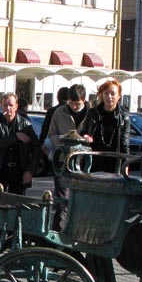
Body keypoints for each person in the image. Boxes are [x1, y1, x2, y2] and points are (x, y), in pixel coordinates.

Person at [45, 84, 89, 229]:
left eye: (77, 104)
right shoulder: (60, 112)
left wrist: (88, 139)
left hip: (84, 161)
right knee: (63, 198)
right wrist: (63, 140)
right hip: (63, 160)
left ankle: (76, 228)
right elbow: (51, 134)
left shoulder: (91, 113)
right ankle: (58, 228)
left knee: (81, 198)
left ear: (84, 100)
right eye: (71, 103)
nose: (74, 107)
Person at [0, 92, 39, 195]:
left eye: (11, 105)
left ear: (16, 107)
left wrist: (30, 171)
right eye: (5, 105)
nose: (8, 109)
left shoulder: (25, 124)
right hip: (0, 169)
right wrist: (16, 137)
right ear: (1, 107)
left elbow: (36, 148)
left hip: (19, 170)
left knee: (16, 205)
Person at [78, 80, 131, 173]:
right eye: (106, 93)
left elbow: (124, 144)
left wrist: (126, 165)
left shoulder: (124, 118)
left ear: (119, 96)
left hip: (114, 163)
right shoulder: (93, 113)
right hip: (92, 161)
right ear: (101, 95)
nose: (109, 97)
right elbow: (83, 132)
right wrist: (85, 136)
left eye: (113, 94)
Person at [38, 87, 69, 161]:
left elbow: (45, 128)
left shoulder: (52, 111)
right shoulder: (72, 110)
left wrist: (41, 142)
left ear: (58, 98)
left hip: (53, 142)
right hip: (69, 143)